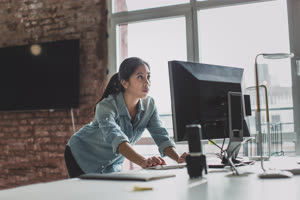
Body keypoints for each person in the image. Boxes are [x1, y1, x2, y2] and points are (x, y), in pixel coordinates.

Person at [64, 57, 187, 178]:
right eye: (140, 77)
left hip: (111, 164)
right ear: (124, 82)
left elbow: (162, 137)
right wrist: (143, 161)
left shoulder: (150, 105)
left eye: (148, 77)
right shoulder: (106, 106)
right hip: (81, 155)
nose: (147, 82)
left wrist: (179, 158)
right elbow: (116, 137)